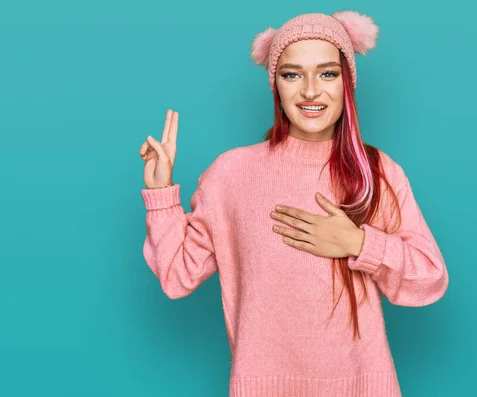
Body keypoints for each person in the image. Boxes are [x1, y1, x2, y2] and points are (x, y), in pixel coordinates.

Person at [139, 10, 449, 397]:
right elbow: (176, 275)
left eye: (327, 73)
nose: (310, 91)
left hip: (363, 387)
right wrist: (162, 194)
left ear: (347, 83)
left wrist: (359, 244)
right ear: (275, 85)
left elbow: (430, 280)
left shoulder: (377, 171)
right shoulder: (231, 173)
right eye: (292, 74)